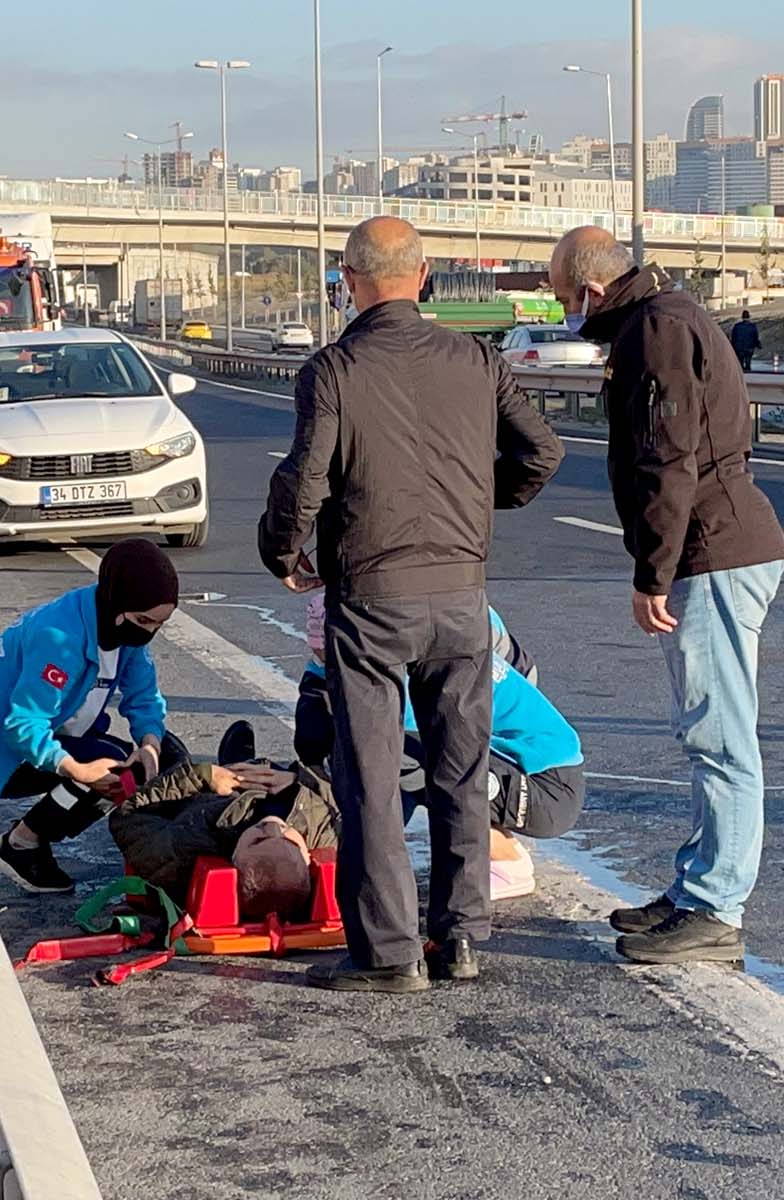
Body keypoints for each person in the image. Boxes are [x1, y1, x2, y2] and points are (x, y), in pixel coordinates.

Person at [258, 216, 564, 994]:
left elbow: (305, 479)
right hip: (461, 594)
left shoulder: (333, 369)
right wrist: (478, 506)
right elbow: (542, 451)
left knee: (367, 776)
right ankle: (459, 940)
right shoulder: (476, 358)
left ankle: (388, 954)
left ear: (348, 279)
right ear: (423, 276)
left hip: (370, 595)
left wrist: (282, 552)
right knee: (459, 771)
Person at [551, 226, 784, 968]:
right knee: (705, 734)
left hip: (712, 551)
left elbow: (667, 457)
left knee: (719, 738)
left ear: (590, 289)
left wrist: (651, 571)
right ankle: (695, 890)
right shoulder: (666, 314)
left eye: (564, 299)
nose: (566, 313)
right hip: (718, 545)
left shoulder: (653, 329)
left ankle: (715, 907)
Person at [294, 595, 585, 901]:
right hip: (518, 761)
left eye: (330, 657)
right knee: (397, 754)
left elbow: (385, 769)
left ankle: (507, 859)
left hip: (548, 787)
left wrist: (362, 850)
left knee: (402, 758)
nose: (326, 665)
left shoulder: (409, 673)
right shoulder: (420, 628)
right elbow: (311, 740)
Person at [0, 539, 182, 893]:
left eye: (160, 624)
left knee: (127, 766)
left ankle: (29, 839)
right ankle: (21, 846)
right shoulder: (60, 638)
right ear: (118, 601)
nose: (149, 632)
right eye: (144, 621)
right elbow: (22, 726)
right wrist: (76, 770)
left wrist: (150, 745)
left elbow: (144, 697)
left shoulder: (117, 624)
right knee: (107, 767)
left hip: (30, 739)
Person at [107, 721, 339, 913]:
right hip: (273, 780)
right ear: (308, 859)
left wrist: (199, 776)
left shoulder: (185, 848)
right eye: (289, 841)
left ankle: (219, 761)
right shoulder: (326, 837)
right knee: (249, 758)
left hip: (201, 794)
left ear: (233, 860)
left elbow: (128, 817)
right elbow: (351, 804)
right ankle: (240, 758)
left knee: (164, 745)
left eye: (259, 839)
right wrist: (298, 779)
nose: (273, 828)